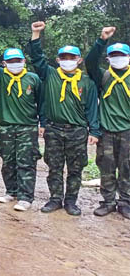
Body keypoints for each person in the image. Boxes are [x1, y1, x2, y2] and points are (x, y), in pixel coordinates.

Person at [24, 21, 100, 216]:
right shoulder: (50, 75)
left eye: (71, 57)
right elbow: (38, 58)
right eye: (63, 57)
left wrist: (94, 131)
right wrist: (35, 34)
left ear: (79, 60)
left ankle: (71, 201)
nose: (67, 60)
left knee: (76, 169)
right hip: (54, 129)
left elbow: (92, 108)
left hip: (77, 131)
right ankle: (55, 198)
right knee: (54, 167)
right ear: (58, 60)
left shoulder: (87, 82)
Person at [0, 33, 43, 212]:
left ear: (24, 61)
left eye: (18, 60)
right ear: (4, 63)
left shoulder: (33, 79)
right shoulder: (0, 76)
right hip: (5, 127)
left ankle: (26, 197)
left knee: (26, 162)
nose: (15, 63)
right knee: (8, 161)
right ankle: (11, 191)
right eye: (11, 60)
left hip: (27, 127)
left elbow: (42, 102)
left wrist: (42, 123)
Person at [84, 26, 130, 219]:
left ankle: (125, 202)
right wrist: (102, 40)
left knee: (128, 168)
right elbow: (90, 62)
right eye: (114, 55)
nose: (118, 58)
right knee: (106, 167)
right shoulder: (103, 76)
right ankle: (108, 202)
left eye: (122, 55)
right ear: (108, 59)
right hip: (107, 131)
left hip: (128, 131)